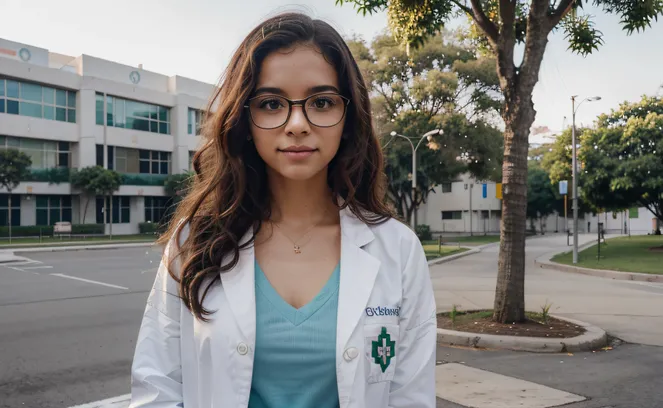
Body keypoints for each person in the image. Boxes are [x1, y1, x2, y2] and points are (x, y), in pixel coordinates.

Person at [129, 11, 437, 408]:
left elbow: (410, 397)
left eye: (322, 102)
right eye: (272, 103)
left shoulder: (397, 249)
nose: (296, 124)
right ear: (244, 117)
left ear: (348, 117)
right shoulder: (195, 242)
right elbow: (158, 388)